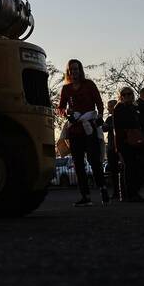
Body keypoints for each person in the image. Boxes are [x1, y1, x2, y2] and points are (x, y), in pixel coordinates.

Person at [57, 59, 110, 206]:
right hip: (75, 130)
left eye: (76, 69)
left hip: (89, 127)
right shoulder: (66, 89)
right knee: (78, 164)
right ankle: (85, 196)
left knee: (94, 161)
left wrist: (99, 115)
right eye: (71, 69)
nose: (74, 72)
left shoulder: (89, 85)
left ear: (80, 70)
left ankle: (103, 188)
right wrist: (66, 112)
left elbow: (99, 103)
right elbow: (60, 108)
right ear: (68, 72)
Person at [112, 86, 144, 202]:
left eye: (129, 94)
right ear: (121, 96)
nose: (127, 96)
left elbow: (141, 124)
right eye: (124, 95)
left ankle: (133, 191)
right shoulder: (118, 109)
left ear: (132, 95)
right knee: (129, 168)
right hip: (125, 142)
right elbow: (116, 129)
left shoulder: (136, 108)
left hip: (138, 141)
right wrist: (118, 147)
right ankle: (130, 194)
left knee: (141, 166)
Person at [103, 98, 120, 201]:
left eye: (110, 106)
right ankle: (116, 192)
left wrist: (107, 126)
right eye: (108, 107)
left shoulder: (118, 117)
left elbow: (110, 128)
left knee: (120, 170)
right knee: (113, 171)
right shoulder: (109, 119)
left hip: (118, 145)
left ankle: (122, 191)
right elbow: (104, 129)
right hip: (111, 146)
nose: (108, 109)